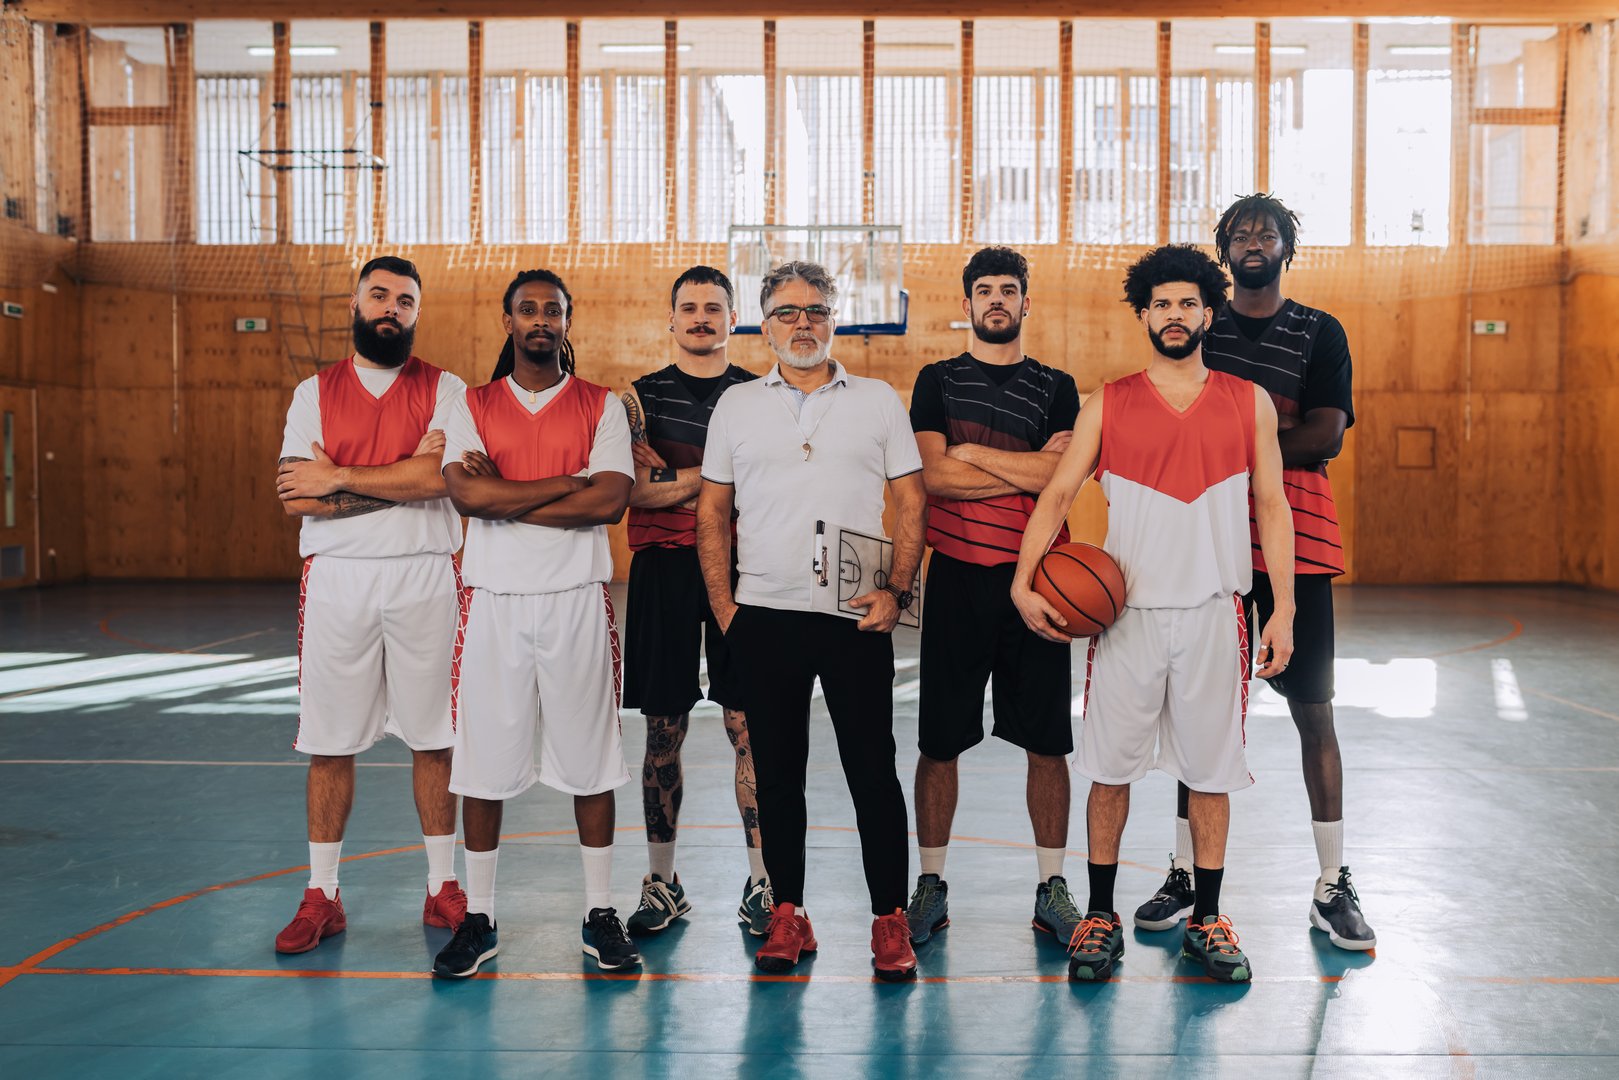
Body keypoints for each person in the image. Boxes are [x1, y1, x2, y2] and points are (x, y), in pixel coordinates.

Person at [1011, 244, 1294, 983]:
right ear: (1143, 314)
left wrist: (1283, 607)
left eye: (1188, 303)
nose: (1175, 315)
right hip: (1125, 618)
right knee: (1109, 770)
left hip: (1213, 612)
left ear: (1209, 313)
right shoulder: (1108, 400)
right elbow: (1057, 494)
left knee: (1210, 774)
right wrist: (1022, 579)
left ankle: (1206, 919)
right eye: (1161, 304)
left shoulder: (1247, 400)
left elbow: (1272, 504)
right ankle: (1100, 914)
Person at [1131, 194, 1375, 953]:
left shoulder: (1318, 332)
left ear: (1285, 247)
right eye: (1240, 232)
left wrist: (1233, 441)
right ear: (1223, 249)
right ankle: (1182, 871)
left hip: (1293, 546)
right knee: (1196, 723)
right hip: (1206, 546)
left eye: (1266, 231)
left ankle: (1332, 882)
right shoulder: (1202, 324)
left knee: (1314, 714)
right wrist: (1267, 432)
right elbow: (1177, 424)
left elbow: (1324, 435)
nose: (1253, 241)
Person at [696, 261, 927, 981]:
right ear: (763, 325)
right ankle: (788, 913)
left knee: (872, 771)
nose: (803, 323)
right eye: (787, 312)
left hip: (853, 617)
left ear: (835, 320)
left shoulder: (878, 400)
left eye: (816, 311)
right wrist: (728, 609)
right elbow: (711, 511)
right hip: (764, 617)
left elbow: (913, 503)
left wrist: (896, 590)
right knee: (778, 774)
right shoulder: (735, 406)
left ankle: (889, 918)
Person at [429, 269, 638, 978]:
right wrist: (561, 483)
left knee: (591, 761)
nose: (541, 320)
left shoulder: (600, 405)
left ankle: (600, 912)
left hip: (576, 597)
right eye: (529, 309)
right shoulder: (473, 403)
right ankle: (480, 917)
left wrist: (505, 494)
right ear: (508, 320)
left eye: (553, 310)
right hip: (493, 598)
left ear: (567, 323)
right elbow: (465, 496)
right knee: (483, 763)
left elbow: (608, 502)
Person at [272, 255, 467, 954]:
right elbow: (298, 494)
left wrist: (342, 478)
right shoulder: (312, 393)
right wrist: (401, 476)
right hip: (338, 581)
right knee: (329, 739)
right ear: (355, 304)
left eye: (405, 299)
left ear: (417, 311)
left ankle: (443, 885)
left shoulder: (448, 389)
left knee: (434, 734)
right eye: (379, 295)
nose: (392, 307)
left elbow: (443, 481)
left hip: (424, 576)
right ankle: (321, 895)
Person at [904, 246, 1083, 950]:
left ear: (1025, 303)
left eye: (1009, 290)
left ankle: (1051, 888)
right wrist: (1026, 471)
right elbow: (930, 477)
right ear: (968, 304)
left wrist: (971, 454)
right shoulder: (935, 379)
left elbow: (1061, 481)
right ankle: (930, 884)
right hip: (955, 577)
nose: (997, 300)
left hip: (1038, 579)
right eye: (985, 290)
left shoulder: (1057, 385)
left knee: (1047, 744)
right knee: (938, 742)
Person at [619, 266, 769, 936]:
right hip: (662, 571)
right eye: (689, 308)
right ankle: (662, 881)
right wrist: (719, 477)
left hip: (746, 571)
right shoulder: (636, 400)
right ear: (670, 319)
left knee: (750, 728)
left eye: (714, 307)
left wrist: (672, 475)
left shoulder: (761, 397)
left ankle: (764, 883)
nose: (701, 317)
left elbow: (767, 491)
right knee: (662, 732)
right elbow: (633, 491)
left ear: (731, 318)